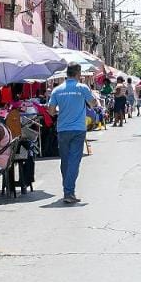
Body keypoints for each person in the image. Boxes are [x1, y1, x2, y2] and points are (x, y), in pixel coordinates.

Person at [48, 62, 96, 203]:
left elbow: (51, 111)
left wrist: (62, 110)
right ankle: (69, 192)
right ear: (78, 73)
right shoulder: (82, 88)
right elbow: (93, 104)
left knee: (65, 160)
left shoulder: (57, 90)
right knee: (74, 161)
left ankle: (68, 190)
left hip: (62, 129)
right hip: (78, 129)